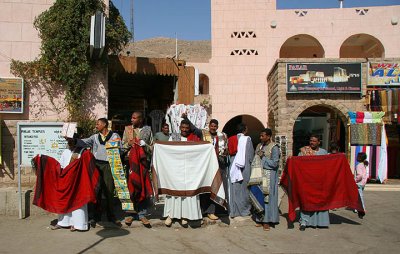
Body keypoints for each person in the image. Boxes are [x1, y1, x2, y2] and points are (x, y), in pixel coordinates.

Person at [77, 118, 121, 226]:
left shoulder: (115, 136)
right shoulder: (95, 137)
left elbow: (117, 148)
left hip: (109, 165)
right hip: (96, 165)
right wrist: (73, 139)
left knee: (109, 191)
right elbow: (84, 142)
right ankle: (95, 216)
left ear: (105, 124)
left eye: (98, 124)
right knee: (96, 190)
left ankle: (111, 216)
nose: (96, 126)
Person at [164, 118, 202, 227]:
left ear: (189, 129)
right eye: (183, 127)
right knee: (174, 193)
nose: (185, 130)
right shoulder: (174, 137)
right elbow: (168, 151)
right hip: (176, 170)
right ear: (180, 127)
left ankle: (185, 215)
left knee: (187, 193)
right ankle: (170, 215)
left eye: (187, 128)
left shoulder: (194, 138)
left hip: (189, 170)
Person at [122, 111, 154, 227]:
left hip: (143, 162)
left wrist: (144, 145)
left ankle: (142, 214)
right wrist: (129, 144)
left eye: (134, 118)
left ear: (140, 120)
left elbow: (152, 147)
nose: (132, 120)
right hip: (131, 163)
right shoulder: (127, 130)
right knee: (131, 187)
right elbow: (122, 146)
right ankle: (131, 214)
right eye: (131, 117)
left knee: (143, 187)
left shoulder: (148, 130)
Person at [52, 136, 88, 231]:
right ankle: (63, 222)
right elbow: (62, 166)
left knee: (78, 202)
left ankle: (78, 224)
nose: (69, 143)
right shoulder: (66, 151)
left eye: (72, 140)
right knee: (65, 200)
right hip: (67, 180)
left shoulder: (83, 151)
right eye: (68, 141)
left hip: (78, 181)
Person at [251, 128, 280, 231]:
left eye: (263, 136)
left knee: (267, 198)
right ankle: (260, 219)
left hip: (269, 176)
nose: (261, 137)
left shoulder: (274, 147)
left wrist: (263, 157)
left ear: (268, 136)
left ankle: (267, 221)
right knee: (259, 196)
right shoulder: (259, 146)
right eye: (260, 136)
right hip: (259, 175)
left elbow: (275, 163)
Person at [298, 134, 329, 231]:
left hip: (319, 182)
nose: (312, 143)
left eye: (314, 141)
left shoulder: (323, 152)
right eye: (311, 140)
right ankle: (304, 221)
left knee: (320, 201)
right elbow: (298, 163)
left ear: (319, 142)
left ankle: (320, 222)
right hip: (307, 181)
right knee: (306, 201)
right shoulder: (303, 151)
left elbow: (328, 166)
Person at [199, 119, 229, 221]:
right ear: (209, 126)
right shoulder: (203, 135)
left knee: (216, 187)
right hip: (206, 166)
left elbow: (226, 150)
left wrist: (224, 153)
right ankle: (204, 211)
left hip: (219, 166)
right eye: (211, 126)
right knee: (206, 189)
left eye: (215, 126)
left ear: (217, 127)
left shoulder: (222, 136)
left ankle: (213, 211)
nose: (213, 128)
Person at [227, 123, 254, 218]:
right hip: (244, 165)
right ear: (245, 130)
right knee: (244, 188)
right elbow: (250, 155)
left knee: (234, 188)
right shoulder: (247, 139)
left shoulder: (230, 139)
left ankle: (233, 211)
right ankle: (244, 210)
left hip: (233, 165)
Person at [355, 152, 368, 219]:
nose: (356, 157)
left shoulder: (358, 165)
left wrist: (355, 181)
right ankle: (356, 208)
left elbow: (359, 175)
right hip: (362, 183)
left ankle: (362, 209)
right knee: (358, 196)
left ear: (359, 158)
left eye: (358, 156)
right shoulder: (363, 165)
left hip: (358, 183)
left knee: (360, 197)